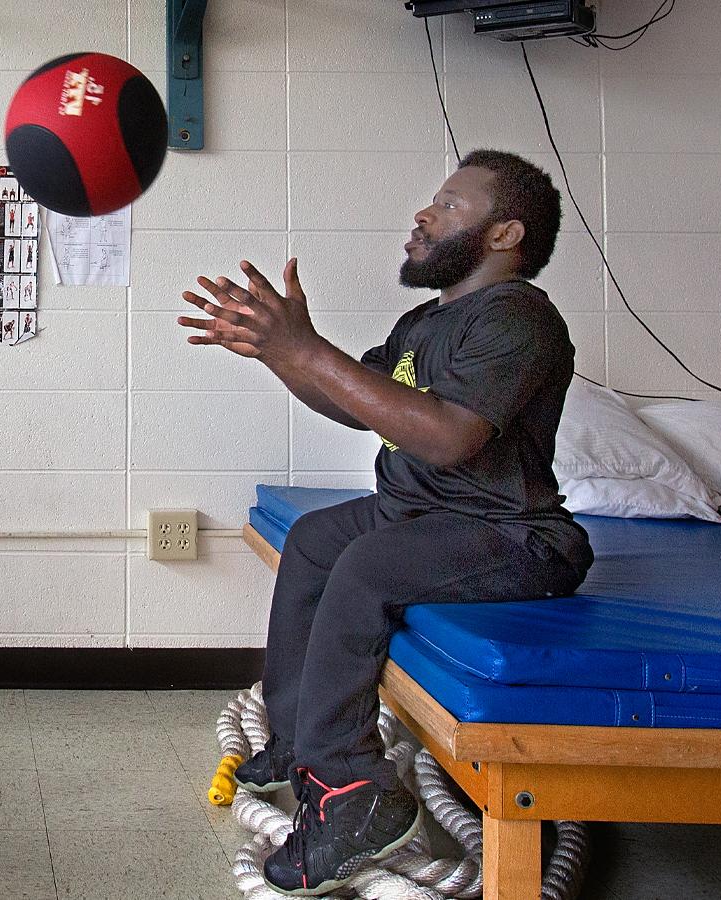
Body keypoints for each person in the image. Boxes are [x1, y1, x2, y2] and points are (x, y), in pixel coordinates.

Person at [177, 149, 593, 896]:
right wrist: (283, 354)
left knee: (366, 565)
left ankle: (352, 790)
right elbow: (353, 400)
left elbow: (448, 436)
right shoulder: (423, 322)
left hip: (508, 533)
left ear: (505, 233)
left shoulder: (521, 318)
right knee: (314, 540)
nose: (423, 214)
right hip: (419, 511)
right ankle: (298, 734)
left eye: (449, 204)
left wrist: (306, 349)